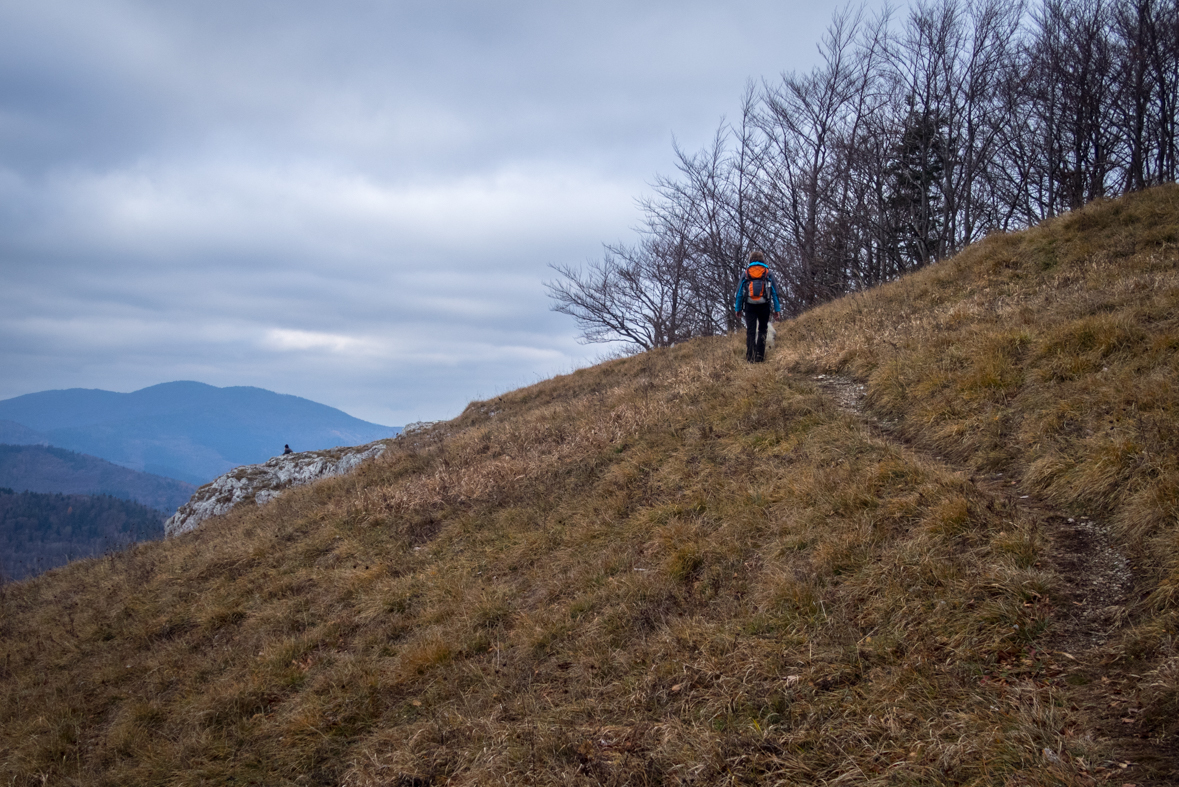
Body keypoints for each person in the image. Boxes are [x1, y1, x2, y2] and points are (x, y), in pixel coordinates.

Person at [733, 249, 781, 362]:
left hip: (749, 305)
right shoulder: (767, 272)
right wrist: (777, 310)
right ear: (762, 260)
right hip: (765, 305)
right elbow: (775, 292)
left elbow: (739, 292)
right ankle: (760, 357)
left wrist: (738, 308)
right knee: (762, 330)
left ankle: (750, 357)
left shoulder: (746, 273)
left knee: (751, 330)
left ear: (750, 260)